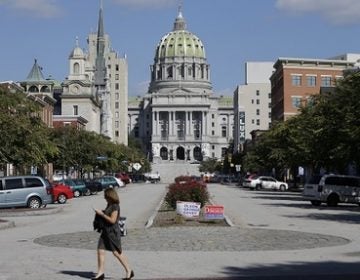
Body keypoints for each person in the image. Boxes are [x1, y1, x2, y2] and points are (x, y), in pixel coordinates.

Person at [92, 188, 134, 280]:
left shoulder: (115, 206)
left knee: (116, 252)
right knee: (100, 250)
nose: (104, 198)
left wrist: (101, 214)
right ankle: (100, 273)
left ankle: (129, 271)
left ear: (110, 196)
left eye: (106, 196)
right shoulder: (109, 204)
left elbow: (112, 220)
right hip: (105, 231)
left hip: (112, 232)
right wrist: (101, 213)